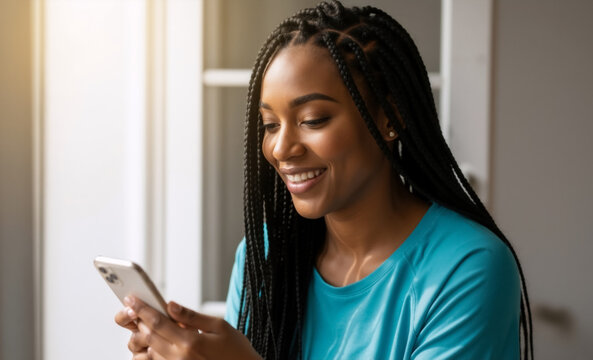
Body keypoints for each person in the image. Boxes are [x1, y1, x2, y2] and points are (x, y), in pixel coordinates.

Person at [114, 1, 533, 359]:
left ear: (389, 118)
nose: (282, 149)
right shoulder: (263, 257)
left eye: (312, 120)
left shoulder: (467, 268)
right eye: (270, 124)